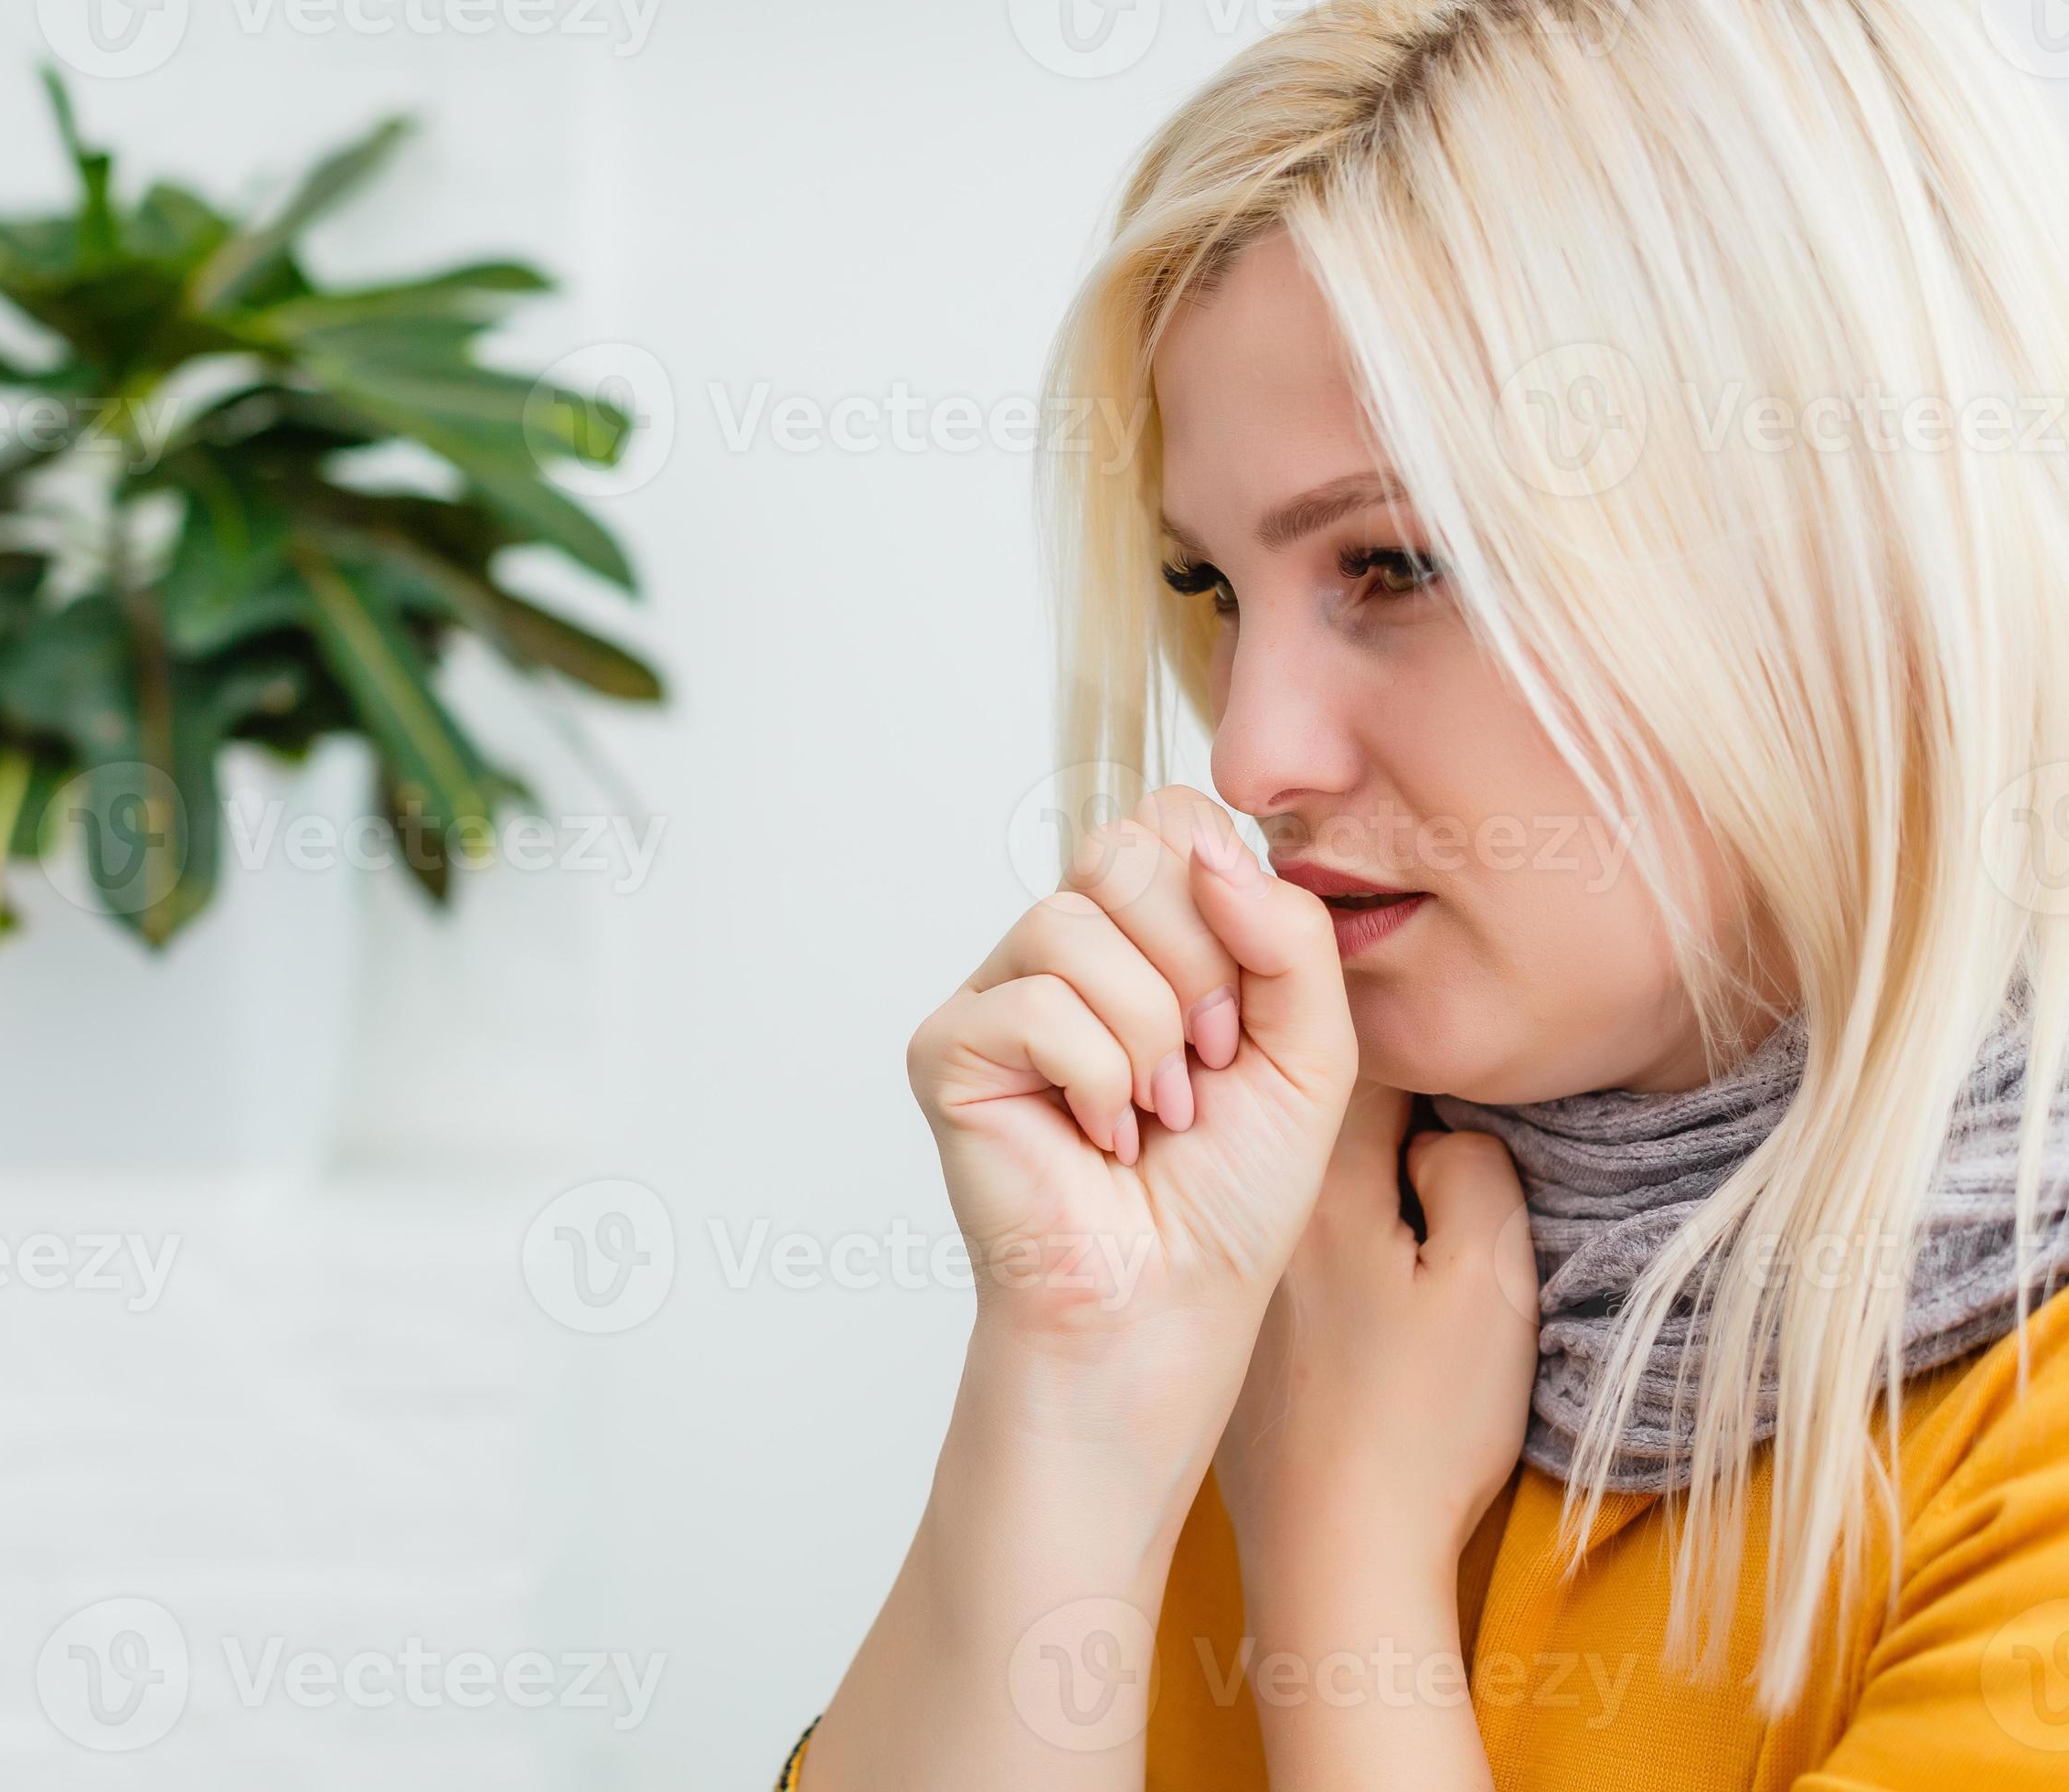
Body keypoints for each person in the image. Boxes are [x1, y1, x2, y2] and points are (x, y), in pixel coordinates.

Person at [786, 2, 2069, 1786]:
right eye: (1215, 588)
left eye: (1394, 559)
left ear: (1834, 552)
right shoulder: (1277, 1251)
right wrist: (1071, 1379)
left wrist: (1345, 1566)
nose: (1251, 753)